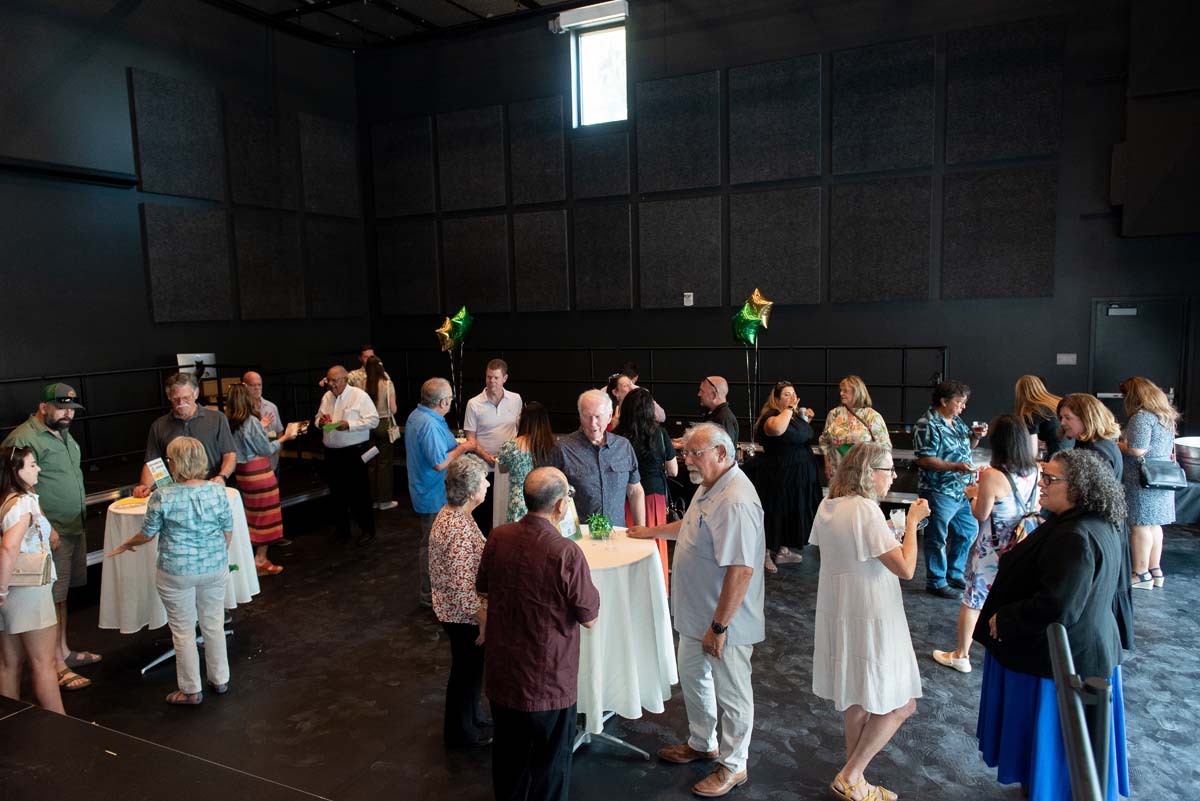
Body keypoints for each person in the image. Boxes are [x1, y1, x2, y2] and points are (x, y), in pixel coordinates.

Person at [974, 450, 1130, 801]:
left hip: (1059, 661)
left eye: (1050, 479)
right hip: (1086, 649)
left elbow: (1058, 605)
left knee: (1055, 743)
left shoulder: (1073, 535)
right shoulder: (1097, 522)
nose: (1041, 484)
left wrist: (1006, 618)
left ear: (1078, 486)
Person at [628, 423, 763, 798]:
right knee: (694, 677)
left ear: (721, 453)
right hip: (698, 613)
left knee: (733, 693)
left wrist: (719, 628)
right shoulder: (710, 485)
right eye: (685, 452)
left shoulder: (736, 500)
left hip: (724, 620)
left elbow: (741, 570)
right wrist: (651, 531)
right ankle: (703, 743)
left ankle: (734, 764)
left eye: (694, 453)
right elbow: (691, 527)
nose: (686, 459)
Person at [810, 444, 930, 801]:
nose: (893, 476)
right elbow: (906, 568)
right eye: (888, 470)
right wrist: (912, 523)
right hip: (874, 614)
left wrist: (889, 533)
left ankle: (855, 781)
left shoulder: (829, 505)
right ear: (868, 472)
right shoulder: (865, 509)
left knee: (856, 698)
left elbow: (850, 550)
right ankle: (851, 775)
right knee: (903, 704)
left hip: (842, 612)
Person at [477, 467, 599, 801]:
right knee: (551, 766)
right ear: (560, 505)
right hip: (548, 678)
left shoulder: (499, 536)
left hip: (504, 673)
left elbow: (483, 585)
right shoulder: (565, 552)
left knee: (508, 760)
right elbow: (589, 617)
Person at [107, 437, 234, 706]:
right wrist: (216, 556)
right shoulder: (217, 491)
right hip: (214, 568)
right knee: (213, 624)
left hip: (176, 571)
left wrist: (126, 544)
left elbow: (148, 534)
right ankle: (220, 679)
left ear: (175, 463)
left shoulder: (163, 496)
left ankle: (190, 690)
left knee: (183, 631)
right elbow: (227, 530)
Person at [2, 383, 100, 692]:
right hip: (46, 535)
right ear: (43, 406)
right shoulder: (23, 438)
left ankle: (63, 651)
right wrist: (47, 525)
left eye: (71, 408)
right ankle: (55, 664)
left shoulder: (63, 433)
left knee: (61, 595)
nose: (67, 413)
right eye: (61, 407)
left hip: (72, 527)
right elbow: (15, 486)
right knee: (51, 597)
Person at [932, 415, 1039, 674]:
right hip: (1022, 544)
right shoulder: (1035, 470)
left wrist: (972, 495)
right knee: (1011, 597)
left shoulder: (993, 475)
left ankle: (961, 654)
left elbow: (981, 514)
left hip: (992, 548)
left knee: (974, 600)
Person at [1057, 393, 1135, 651]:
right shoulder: (1097, 446)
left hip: (1098, 532)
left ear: (1086, 417)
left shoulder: (1097, 451)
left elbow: (1092, 498)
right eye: (1062, 417)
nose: (1063, 423)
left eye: (1068, 417)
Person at [428, 455, 491, 748]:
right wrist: (483, 620)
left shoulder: (456, 515)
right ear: (471, 490)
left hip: (459, 612)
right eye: (484, 481)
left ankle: (473, 718)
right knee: (465, 672)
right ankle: (461, 733)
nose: (488, 485)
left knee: (470, 671)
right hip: (462, 616)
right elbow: (462, 587)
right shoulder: (456, 528)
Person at [0, 445, 65, 714]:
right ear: (17, 471)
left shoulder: (4, 501)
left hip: (9, 591)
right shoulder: (24, 503)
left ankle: (10, 723)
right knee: (44, 663)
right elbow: (9, 546)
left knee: (8, 663)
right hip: (29, 589)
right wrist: (2, 590)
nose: (38, 468)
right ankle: (60, 724)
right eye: (32, 464)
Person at [405, 378, 477, 607]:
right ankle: (429, 595)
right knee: (432, 546)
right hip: (432, 494)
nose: (451, 402)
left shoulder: (418, 416)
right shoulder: (428, 423)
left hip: (428, 491)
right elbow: (439, 463)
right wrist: (464, 447)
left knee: (436, 544)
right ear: (442, 402)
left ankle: (437, 593)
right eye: (450, 399)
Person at [913, 380, 986, 599]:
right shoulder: (927, 424)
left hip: (962, 489)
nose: (963, 407)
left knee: (968, 531)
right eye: (959, 402)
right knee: (937, 537)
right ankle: (936, 581)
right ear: (944, 401)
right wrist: (955, 466)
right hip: (938, 489)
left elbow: (967, 445)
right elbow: (924, 459)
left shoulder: (956, 420)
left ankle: (954, 573)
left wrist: (976, 437)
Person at [226, 383, 296, 576]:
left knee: (252, 515)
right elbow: (266, 449)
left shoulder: (228, 422)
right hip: (259, 473)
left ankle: (252, 559)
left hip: (243, 473)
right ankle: (261, 559)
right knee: (266, 515)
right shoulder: (250, 421)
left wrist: (261, 427)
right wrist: (285, 438)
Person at [548, 389, 645, 528]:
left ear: (609, 416)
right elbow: (549, 495)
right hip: (578, 535)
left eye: (598, 417)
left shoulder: (623, 446)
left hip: (617, 533)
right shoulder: (563, 448)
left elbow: (635, 490)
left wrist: (640, 528)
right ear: (580, 416)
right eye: (587, 416)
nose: (592, 423)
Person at [753, 380, 821, 571]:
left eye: (793, 394)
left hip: (798, 477)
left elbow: (797, 436)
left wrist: (806, 419)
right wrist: (790, 408)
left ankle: (782, 549)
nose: (792, 397)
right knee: (774, 513)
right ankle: (765, 553)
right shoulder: (771, 416)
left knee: (790, 512)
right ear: (776, 398)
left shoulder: (793, 416)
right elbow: (777, 429)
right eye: (786, 394)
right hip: (779, 476)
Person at [614, 387, 678, 591]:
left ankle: (627, 588)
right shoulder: (660, 434)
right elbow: (674, 470)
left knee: (626, 540)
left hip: (624, 496)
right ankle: (656, 589)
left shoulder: (617, 436)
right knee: (654, 539)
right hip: (653, 495)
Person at [1117, 376, 1178, 589]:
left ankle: (1140, 573)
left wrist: (1115, 443)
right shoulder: (1165, 416)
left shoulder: (1142, 417)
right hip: (1162, 475)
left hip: (1141, 478)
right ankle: (1155, 570)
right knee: (1154, 525)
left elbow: (1137, 449)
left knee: (1140, 525)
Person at [134, 372, 236, 498]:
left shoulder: (217, 419)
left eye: (186, 398)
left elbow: (229, 453)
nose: (181, 403)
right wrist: (144, 486)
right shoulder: (159, 426)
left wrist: (222, 476)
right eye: (176, 399)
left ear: (196, 393)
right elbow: (153, 462)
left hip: (210, 490)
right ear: (169, 396)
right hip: (175, 495)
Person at [315, 365, 380, 546]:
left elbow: (373, 420)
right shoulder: (327, 397)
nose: (331, 384)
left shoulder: (359, 396)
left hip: (354, 452)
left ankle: (367, 530)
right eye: (329, 380)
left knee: (359, 493)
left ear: (345, 379)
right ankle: (342, 530)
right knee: (336, 493)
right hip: (332, 452)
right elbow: (317, 418)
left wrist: (350, 425)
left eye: (335, 380)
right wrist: (320, 422)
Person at [463, 359, 523, 533]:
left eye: (496, 378)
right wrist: (487, 457)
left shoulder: (516, 399)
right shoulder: (474, 404)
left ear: (505, 378)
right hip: (483, 468)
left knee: (506, 514)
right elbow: (470, 439)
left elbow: (520, 430)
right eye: (489, 377)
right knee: (481, 516)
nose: (492, 381)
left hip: (508, 467)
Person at [819, 375, 892, 479]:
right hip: (838, 474)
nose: (841, 393)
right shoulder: (834, 414)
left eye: (845, 391)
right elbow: (824, 441)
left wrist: (863, 445)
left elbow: (885, 447)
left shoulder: (872, 416)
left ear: (857, 392)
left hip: (864, 475)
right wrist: (827, 464)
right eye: (841, 390)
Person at [495, 401, 554, 523]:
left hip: (518, 501)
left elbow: (502, 469)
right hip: (544, 500)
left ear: (523, 420)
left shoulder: (510, 446)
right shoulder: (551, 446)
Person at [364, 356, 399, 511]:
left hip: (368, 426)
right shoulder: (387, 384)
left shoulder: (363, 384)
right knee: (384, 463)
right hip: (384, 424)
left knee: (371, 463)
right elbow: (393, 409)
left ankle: (371, 499)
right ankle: (384, 501)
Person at [240, 371, 284, 472]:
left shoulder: (271, 407)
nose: (257, 388)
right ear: (244, 386)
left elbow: (279, 431)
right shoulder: (240, 411)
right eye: (253, 385)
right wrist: (259, 426)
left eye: (259, 384)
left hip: (272, 461)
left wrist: (278, 453)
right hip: (252, 465)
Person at [1013, 374, 1063, 458]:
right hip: (1072, 455)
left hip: (1055, 458)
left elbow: (1032, 453)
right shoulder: (1057, 403)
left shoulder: (1031, 412)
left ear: (1020, 393)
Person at [694, 375, 739, 446]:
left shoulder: (724, 418)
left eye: (702, 391)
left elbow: (725, 449)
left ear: (714, 395)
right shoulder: (712, 414)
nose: (699, 394)